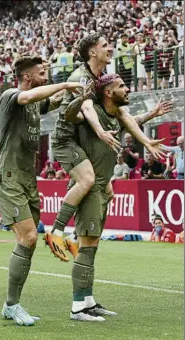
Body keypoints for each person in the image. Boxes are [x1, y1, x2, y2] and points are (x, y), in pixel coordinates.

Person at [0, 55, 84, 326]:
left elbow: (52, 102)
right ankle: (12, 304)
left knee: (29, 242)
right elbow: (33, 97)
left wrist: (78, 90)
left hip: (27, 180)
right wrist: (65, 84)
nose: (46, 77)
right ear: (28, 77)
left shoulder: (35, 102)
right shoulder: (11, 96)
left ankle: (11, 304)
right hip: (8, 177)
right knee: (29, 237)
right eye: (42, 73)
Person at [63, 73, 166, 321]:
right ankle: (78, 306)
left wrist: (150, 115)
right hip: (88, 186)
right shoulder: (91, 113)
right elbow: (71, 115)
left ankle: (87, 301)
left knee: (92, 246)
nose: (127, 89)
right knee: (86, 247)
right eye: (121, 86)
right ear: (108, 92)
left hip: (101, 186)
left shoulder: (115, 115)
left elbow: (131, 121)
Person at [45, 33, 121, 261]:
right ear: (92, 52)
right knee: (87, 180)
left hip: (82, 142)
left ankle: (75, 236)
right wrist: (100, 131)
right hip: (66, 140)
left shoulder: (101, 76)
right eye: (105, 44)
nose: (111, 47)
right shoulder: (82, 76)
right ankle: (56, 232)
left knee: (107, 192)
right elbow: (87, 109)